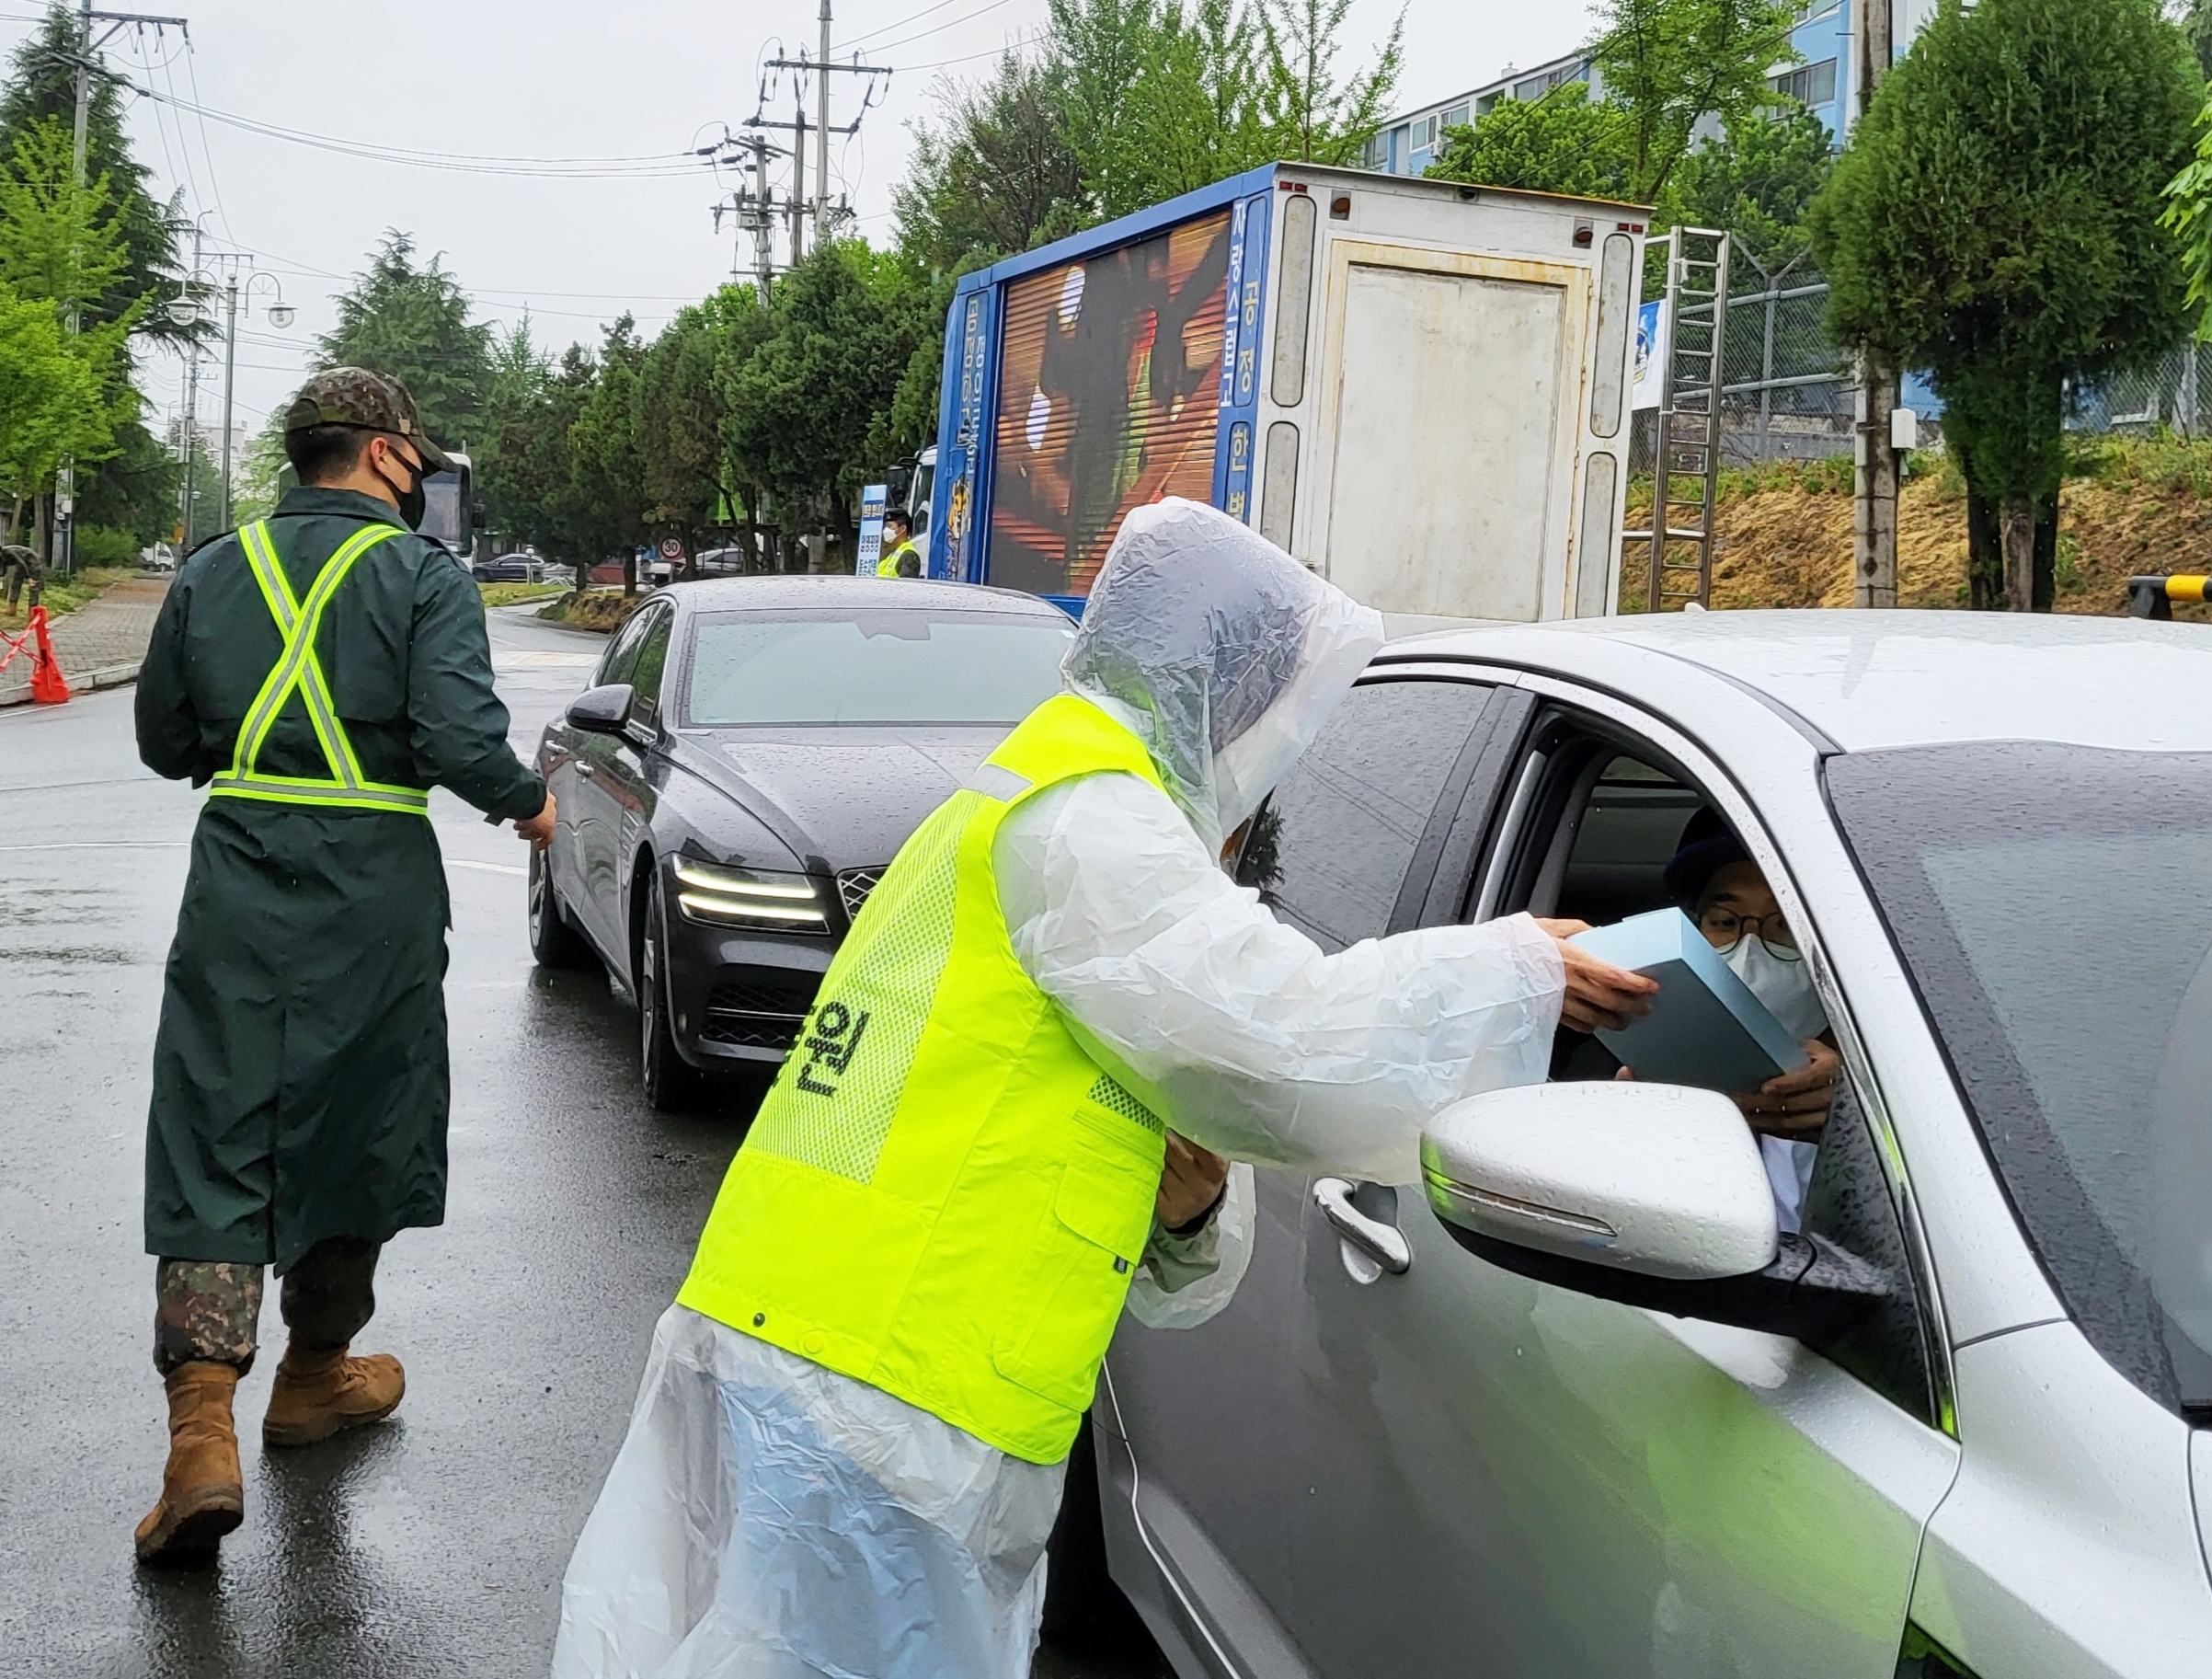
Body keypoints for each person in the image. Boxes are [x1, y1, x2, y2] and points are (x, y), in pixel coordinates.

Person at [550, 498, 1655, 1677]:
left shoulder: (1042, 794)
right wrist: (1513, 971)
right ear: (1224, 684)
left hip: (846, 1351)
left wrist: (1189, 1211)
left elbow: (1131, 1104)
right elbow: (1280, 1042)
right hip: (885, 1388)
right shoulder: (1092, 817)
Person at [130, 367, 558, 1568]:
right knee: (358, 1123)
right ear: (381, 454)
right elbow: (458, 736)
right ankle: (315, 1372)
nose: (420, 476)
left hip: (237, 883)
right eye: (416, 457)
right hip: (375, 894)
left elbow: (165, 741)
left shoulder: (213, 569)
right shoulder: (424, 576)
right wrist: (529, 803)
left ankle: (200, 1438)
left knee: (215, 1128)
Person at [1657, 809, 1843, 1230]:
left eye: (1786, 927)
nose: (1751, 949)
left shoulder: (1901, 1084)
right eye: (1724, 922)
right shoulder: (1622, 1075)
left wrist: (1855, 1118)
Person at [876, 507, 923, 577]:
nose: (885, 531)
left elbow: (906, 582)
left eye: (889, 526)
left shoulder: (909, 555)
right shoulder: (892, 554)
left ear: (902, 529)